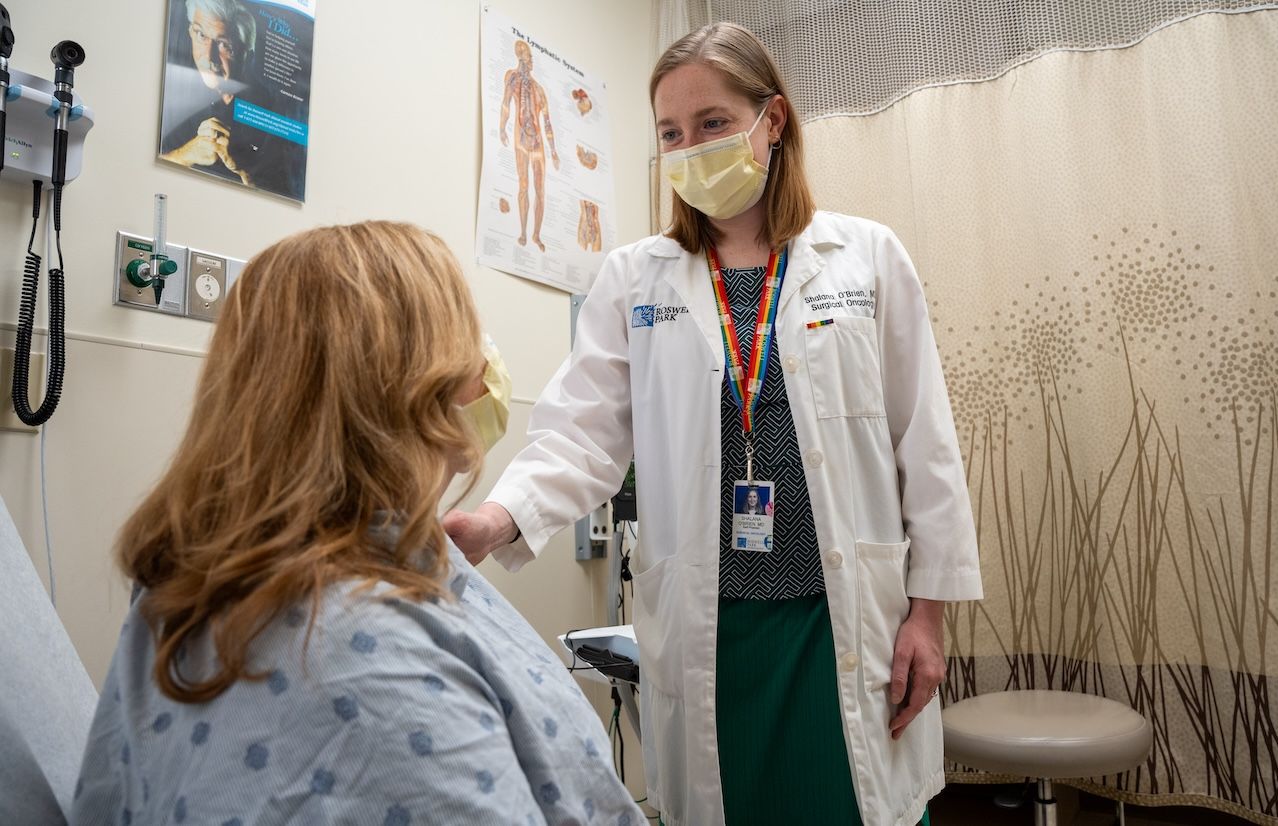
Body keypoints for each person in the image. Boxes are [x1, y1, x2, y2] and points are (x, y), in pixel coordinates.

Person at [447, 22, 982, 826]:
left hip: (838, 622)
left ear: (773, 122)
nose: (690, 147)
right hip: (711, 634)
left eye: (713, 124)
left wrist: (929, 615)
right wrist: (496, 518)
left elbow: (926, 445)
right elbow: (581, 432)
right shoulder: (636, 278)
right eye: (671, 132)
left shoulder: (866, 258)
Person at [69, 222, 642, 826]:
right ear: (414, 391)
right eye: (471, 340)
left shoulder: (185, 589)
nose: (486, 364)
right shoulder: (373, 669)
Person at [160, 0, 307, 200]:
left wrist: (243, 169)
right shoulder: (173, 89)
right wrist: (186, 154)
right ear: (189, 32)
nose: (209, 57)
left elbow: (289, 195)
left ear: (247, 54)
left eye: (223, 44)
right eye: (201, 35)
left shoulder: (275, 112)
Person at [500, 40, 561, 252]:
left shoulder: (538, 89)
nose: (531, 61)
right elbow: (506, 103)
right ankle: (524, 232)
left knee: (540, 191)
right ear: (521, 58)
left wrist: (553, 150)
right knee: (523, 185)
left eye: (531, 57)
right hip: (521, 140)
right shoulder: (513, 78)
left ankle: (536, 234)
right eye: (527, 57)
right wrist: (502, 128)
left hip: (538, 144)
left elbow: (547, 122)